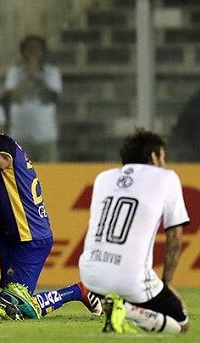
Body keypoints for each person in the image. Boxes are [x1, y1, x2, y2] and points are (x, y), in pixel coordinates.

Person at [0, 98, 101, 319]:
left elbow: (1, 162)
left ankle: (79, 291)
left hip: (29, 236)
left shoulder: (2, 143)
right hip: (6, 229)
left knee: (17, 308)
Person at [79, 130, 190, 334]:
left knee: (120, 290)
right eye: (163, 158)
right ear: (154, 156)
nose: (164, 164)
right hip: (131, 279)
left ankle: (115, 305)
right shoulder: (166, 178)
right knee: (182, 324)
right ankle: (127, 310)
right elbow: (175, 237)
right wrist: (166, 284)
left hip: (90, 277)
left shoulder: (103, 178)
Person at [2, 35, 62, 162]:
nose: (33, 52)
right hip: (20, 135)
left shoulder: (52, 73)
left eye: (36, 49)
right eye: (29, 49)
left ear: (43, 52)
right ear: (23, 52)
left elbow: (50, 98)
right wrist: (28, 76)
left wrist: (37, 78)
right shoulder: (14, 73)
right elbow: (13, 97)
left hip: (45, 136)